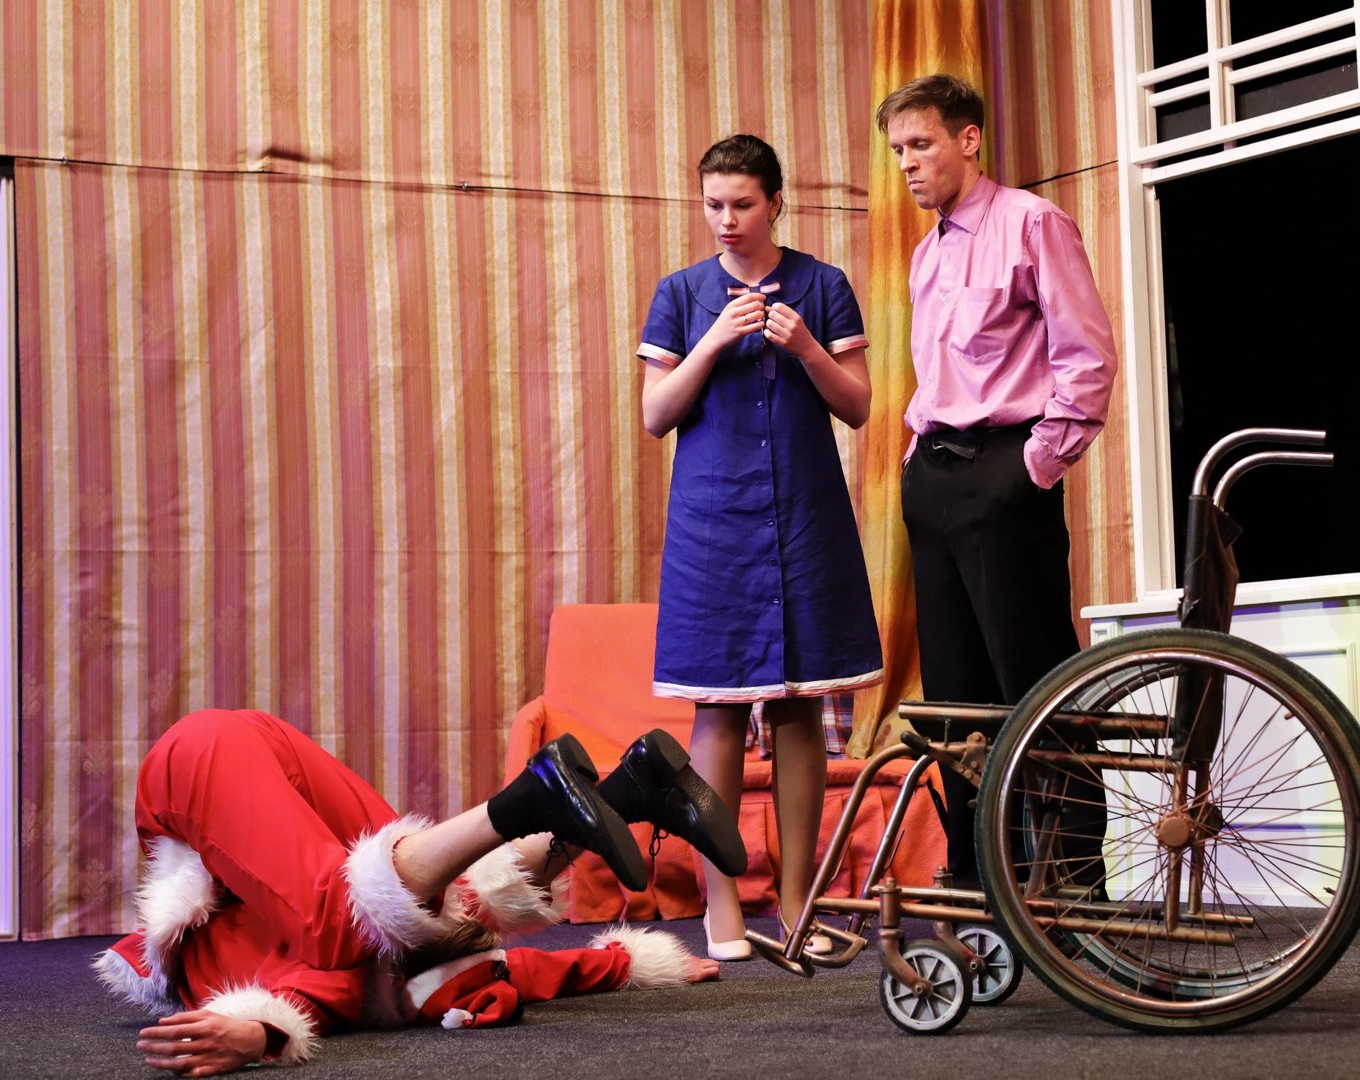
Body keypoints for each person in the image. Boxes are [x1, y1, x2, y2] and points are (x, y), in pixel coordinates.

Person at [93, 709, 740, 1074]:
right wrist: (633, 962)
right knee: (442, 897)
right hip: (255, 759)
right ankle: (635, 788)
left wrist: (259, 1035)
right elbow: (537, 970)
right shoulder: (412, 968)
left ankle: (525, 800)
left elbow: (291, 1004)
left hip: (195, 765)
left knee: (343, 921)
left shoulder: (341, 980)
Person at [636, 134, 883, 960]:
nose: (725, 220)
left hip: (805, 521)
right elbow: (655, 414)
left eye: (741, 203)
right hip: (713, 528)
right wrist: (712, 341)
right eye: (713, 204)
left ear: (775, 202)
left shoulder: (823, 284)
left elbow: (857, 406)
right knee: (715, 707)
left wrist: (805, 347)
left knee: (798, 704)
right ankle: (722, 907)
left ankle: (797, 901)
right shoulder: (679, 294)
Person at [876, 74, 1118, 888]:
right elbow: (938, 377)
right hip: (934, 480)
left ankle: (1074, 887)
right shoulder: (926, 252)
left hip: (1005, 474)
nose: (906, 164)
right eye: (897, 151)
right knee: (954, 702)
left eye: (919, 144)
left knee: (1037, 683)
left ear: (967, 139)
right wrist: (915, 460)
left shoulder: (1031, 223)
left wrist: (1033, 467)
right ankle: (982, 883)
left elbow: (1086, 358)